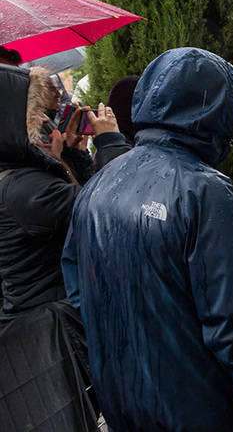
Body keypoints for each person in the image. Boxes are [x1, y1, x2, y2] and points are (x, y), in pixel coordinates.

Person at [62, 47, 233, 432]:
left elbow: (80, 293)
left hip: (125, 403)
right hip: (198, 410)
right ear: (212, 108)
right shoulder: (204, 191)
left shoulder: (99, 183)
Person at [0, 64, 124, 430]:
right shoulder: (28, 190)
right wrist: (109, 142)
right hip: (51, 338)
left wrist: (73, 157)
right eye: (44, 119)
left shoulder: (19, 179)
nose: (53, 129)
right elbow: (113, 208)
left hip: (39, 330)